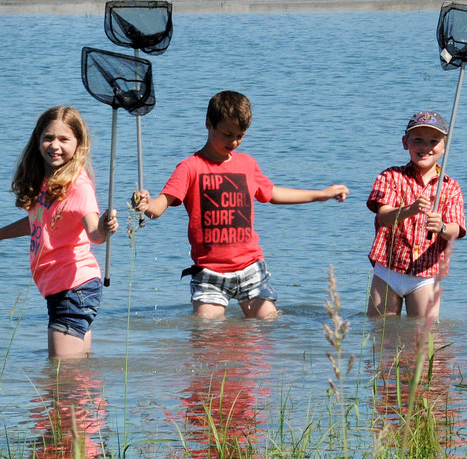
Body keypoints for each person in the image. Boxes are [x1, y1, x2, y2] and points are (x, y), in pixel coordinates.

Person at [134, 90, 349, 319]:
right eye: (227, 134)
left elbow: (273, 193)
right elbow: (158, 208)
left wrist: (321, 194)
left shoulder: (247, 164)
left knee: (269, 322)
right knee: (206, 329)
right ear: (209, 124)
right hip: (210, 272)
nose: (234, 142)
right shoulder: (190, 167)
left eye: (240, 135)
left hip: (250, 268)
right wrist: (145, 204)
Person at [0, 106, 118, 358]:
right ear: (37, 140)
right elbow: (39, 221)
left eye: (64, 139)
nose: (55, 146)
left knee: (60, 372)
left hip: (72, 288)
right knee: (77, 370)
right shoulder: (49, 181)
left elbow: (95, 234)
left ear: (78, 144)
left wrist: (104, 227)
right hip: (68, 289)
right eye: (48, 138)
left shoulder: (77, 185)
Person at [366, 110, 466, 319]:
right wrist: (409, 210)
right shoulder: (390, 176)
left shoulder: (451, 187)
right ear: (405, 142)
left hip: (425, 275)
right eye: (418, 140)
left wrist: (442, 227)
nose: (425, 147)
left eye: (433, 141)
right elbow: (383, 217)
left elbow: (456, 230)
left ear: (444, 147)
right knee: (380, 330)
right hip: (388, 270)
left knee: (423, 332)